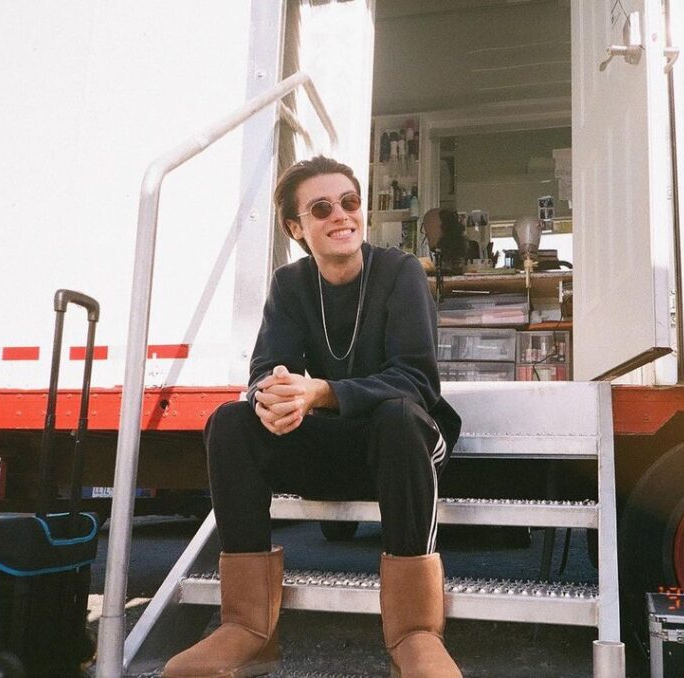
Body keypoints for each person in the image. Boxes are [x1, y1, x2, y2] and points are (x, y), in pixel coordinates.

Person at [163, 156, 463, 678]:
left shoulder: (399, 271)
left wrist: (320, 392)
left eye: (349, 202)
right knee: (230, 421)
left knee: (398, 416)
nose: (341, 216)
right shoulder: (290, 284)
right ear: (295, 227)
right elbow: (264, 370)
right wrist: (274, 399)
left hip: (399, 450)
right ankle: (248, 627)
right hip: (329, 449)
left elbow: (417, 379)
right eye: (321, 208)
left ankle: (415, 632)